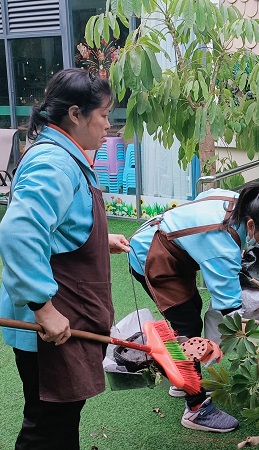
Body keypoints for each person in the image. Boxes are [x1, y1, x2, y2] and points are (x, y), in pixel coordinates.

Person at [0, 68, 130, 450]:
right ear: (75, 114)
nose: (109, 125)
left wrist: (97, 238)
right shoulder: (53, 163)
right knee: (46, 429)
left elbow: (56, 223)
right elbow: (19, 232)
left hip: (64, 316)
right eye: (104, 115)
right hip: (48, 327)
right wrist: (43, 306)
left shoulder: (63, 156)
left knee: (61, 421)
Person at [128, 182, 259, 432]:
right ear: (251, 224)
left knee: (192, 309)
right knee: (187, 327)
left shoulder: (240, 202)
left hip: (170, 249)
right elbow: (232, 314)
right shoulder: (221, 243)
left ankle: (181, 379)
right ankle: (196, 409)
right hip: (151, 256)